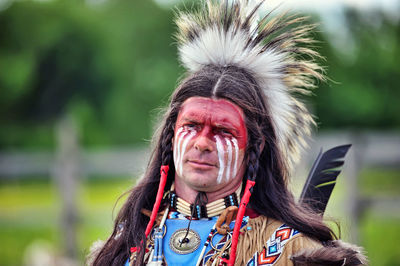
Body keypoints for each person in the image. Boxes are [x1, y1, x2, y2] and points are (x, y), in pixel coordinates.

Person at [88, 0, 367, 265]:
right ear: (171, 136)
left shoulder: (290, 252)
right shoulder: (127, 243)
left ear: (255, 148)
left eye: (223, 131)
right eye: (192, 126)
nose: (202, 143)